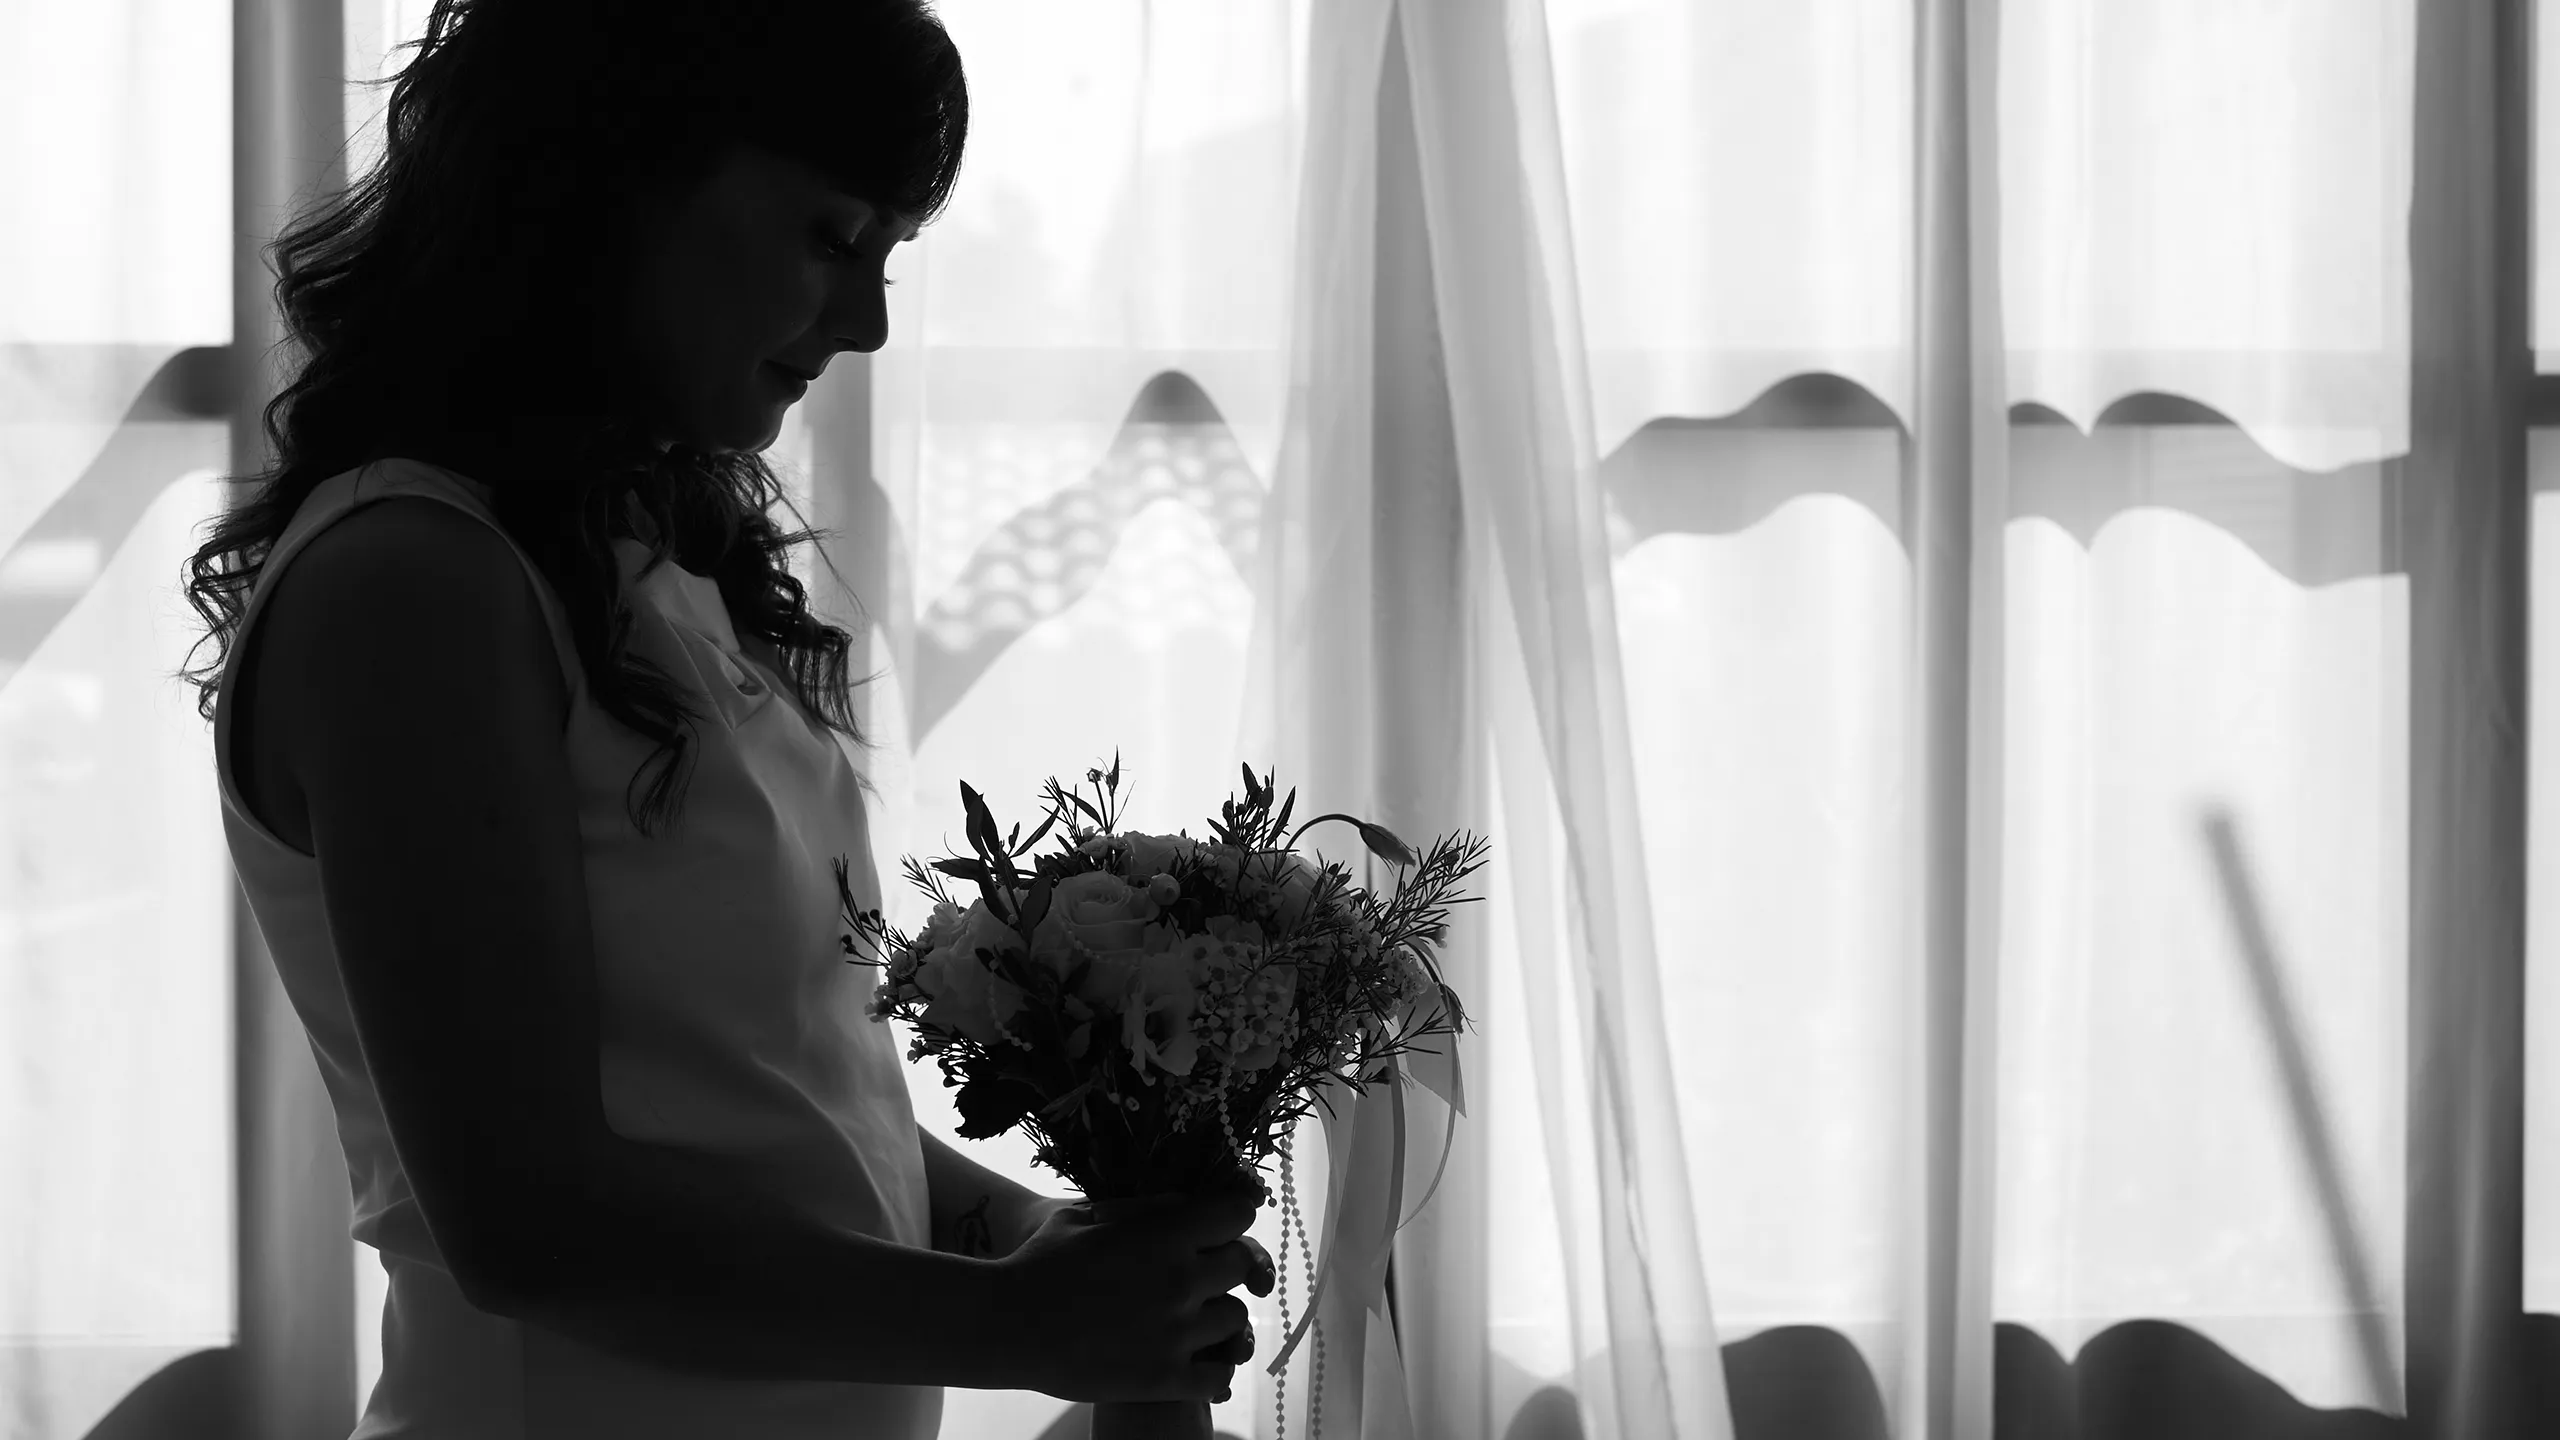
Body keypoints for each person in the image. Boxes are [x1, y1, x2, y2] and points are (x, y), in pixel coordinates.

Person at [175, 2, 1270, 1435]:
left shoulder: (643, 553)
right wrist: (1016, 1324)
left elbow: (787, 1103)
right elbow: (532, 1227)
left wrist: (1032, 1240)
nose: (869, 321)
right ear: (611, 179)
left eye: (886, 254)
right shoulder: (413, 583)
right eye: (831, 236)